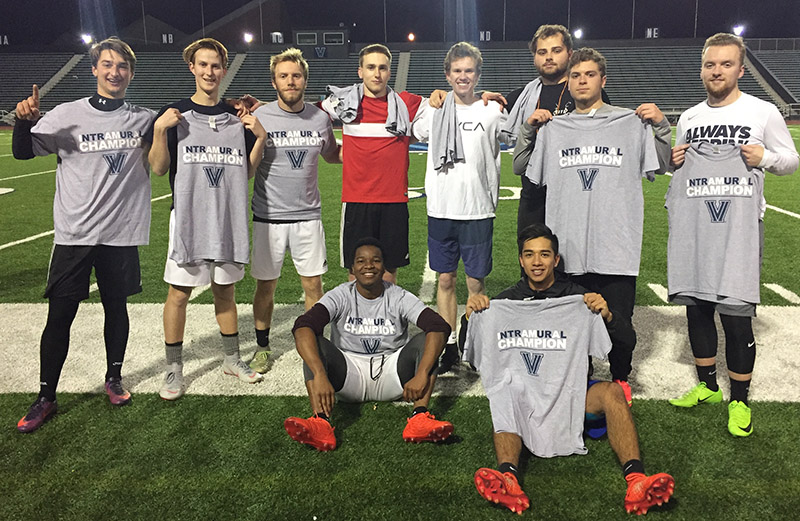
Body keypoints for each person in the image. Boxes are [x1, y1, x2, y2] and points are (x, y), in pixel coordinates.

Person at [464, 224, 674, 516]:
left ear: (556, 260)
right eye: (530, 255)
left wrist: (608, 315)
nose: (537, 262)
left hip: (572, 394)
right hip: (526, 397)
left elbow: (628, 341)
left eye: (544, 255)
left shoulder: (579, 298)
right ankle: (508, 478)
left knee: (612, 392)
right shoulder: (504, 302)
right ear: (521, 260)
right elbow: (472, 357)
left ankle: (637, 479)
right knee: (505, 392)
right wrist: (470, 318)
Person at [12, 38, 155, 433]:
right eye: (107, 65)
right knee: (60, 314)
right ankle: (46, 396)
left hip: (120, 234)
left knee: (116, 308)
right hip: (75, 234)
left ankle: (114, 377)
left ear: (130, 72)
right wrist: (24, 120)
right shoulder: (66, 114)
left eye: (122, 66)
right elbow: (24, 153)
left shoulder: (144, 118)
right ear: (94, 70)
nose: (115, 72)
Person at [668, 33, 799, 436]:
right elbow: (678, 171)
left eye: (726, 64)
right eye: (711, 65)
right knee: (697, 307)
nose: (717, 71)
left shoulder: (762, 112)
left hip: (739, 227)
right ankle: (707, 387)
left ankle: (739, 399)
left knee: (737, 315)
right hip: (695, 227)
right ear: (702, 69)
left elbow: (791, 162)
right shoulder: (689, 117)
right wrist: (675, 160)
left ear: (741, 69)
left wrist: (767, 157)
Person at [524, 47, 671, 403]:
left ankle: (621, 379)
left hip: (615, 244)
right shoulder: (554, 128)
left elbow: (661, 166)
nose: (581, 81)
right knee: (574, 322)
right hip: (568, 245)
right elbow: (528, 173)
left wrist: (662, 127)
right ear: (568, 82)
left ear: (603, 81)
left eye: (589, 75)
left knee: (620, 322)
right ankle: (582, 380)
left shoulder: (630, 123)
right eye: (575, 75)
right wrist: (531, 132)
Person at [148, 38, 267, 400]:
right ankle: (174, 369)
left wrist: (259, 138)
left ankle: (232, 359)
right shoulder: (175, 116)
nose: (209, 72)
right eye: (203, 65)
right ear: (192, 68)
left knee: (225, 292)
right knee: (179, 295)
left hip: (227, 220)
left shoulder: (236, 120)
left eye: (215, 66)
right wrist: (158, 130)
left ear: (224, 70)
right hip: (188, 219)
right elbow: (157, 168)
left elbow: (244, 173)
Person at [284, 238, 454, 451]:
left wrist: (421, 373)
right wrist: (319, 373)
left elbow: (439, 326)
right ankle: (321, 422)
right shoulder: (341, 294)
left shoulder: (398, 295)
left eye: (375, 260)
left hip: (393, 374)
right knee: (312, 342)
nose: (368, 266)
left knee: (428, 340)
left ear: (384, 267)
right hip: (347, 375)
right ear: (353, 268)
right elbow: (303, 326)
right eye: (361, 261)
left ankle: (419, 418)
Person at [411, 42, 508, 374]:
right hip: (441, 207)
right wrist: (434, 98)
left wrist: (498, 99)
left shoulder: (491, 111)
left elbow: (514, 132)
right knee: (446, 279)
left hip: (478, 208)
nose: (463, 76)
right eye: (457, 71)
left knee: (476, 283)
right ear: (447, 75)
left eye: (469, 71)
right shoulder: (433, 109)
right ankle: (448, 345)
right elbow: (418, 129)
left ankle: (474, 342)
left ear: (477, 74)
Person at [248, 48, 341, 373]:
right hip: (268, 217)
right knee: (266, 286)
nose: (291, 81)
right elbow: (247, 166)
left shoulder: (319, 118)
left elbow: (332, 155)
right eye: (284, 76)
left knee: (313, 287)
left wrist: (371, 152)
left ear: (305, 80)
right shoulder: (260, 116)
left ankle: (314, 347)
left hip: (308, 217)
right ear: (274, 81)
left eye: (296, 75)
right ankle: (262, 347)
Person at [320, 44, 431, 284]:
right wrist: (263, 105)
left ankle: (387, 319)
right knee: (355, 271)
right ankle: (358, 320)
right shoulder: (343, 102)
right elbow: (303, 112)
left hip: (394, 200)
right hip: (357, 199)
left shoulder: (406, 102)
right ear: (360, 71)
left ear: (390, 72)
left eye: (382, 68)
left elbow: (439, 106)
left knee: (389, 271)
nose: (376, 73)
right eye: (371, 67)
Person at [504, 24, 609, 237]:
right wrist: (482, 95)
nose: (549, 57)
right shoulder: (521, 97)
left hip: (576, 198)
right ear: (534, 57)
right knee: (533, 267)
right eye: (542, 52)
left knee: (572, 265)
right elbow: (474, 103)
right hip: (533, 200)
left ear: (570, 54)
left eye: (556, 50)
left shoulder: (586, 93)